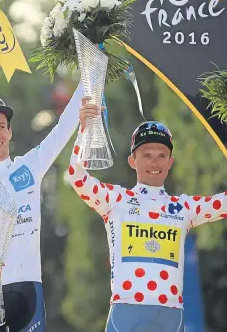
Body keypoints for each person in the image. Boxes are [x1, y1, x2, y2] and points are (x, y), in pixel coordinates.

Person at [67, 101, 227, 331]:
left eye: (162, 155)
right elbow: (76, 176)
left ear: (170, 162)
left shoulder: (183, 208)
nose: (154, 162)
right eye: (146, 154)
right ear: (132, 160)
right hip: (125, 310)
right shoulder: (115, 200)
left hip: (170, 314)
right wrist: (86, 128)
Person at [0, 81, 85, 332]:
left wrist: (92, 70)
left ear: (10, 131)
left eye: (1, 126)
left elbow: (63, 128)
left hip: (30, 289)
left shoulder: (30, 167)